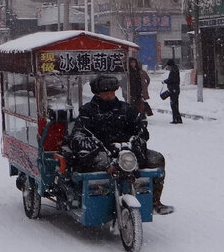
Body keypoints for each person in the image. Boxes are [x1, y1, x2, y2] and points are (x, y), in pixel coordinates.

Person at [68, 74, 173, 214]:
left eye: (112, 92)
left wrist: (134, 142)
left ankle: (154, 201)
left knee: (157, 159)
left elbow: (141, 130)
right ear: (98, 94)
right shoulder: (88, 111)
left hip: (128, 151)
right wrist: (93, 145)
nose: (109, 96)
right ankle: (99, 203)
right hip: (101, 151)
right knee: (102, 164)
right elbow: (78, 135)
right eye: (105, 93)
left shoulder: (126, 109)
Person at [162, 59, 182, 123]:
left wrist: (165, 81)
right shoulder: (175, 69)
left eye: (168, 65)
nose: (168, 67)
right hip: (175, 89)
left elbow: (171, 79)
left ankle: (175, 119)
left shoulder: (173, 70)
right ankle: (178, 119)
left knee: (173, 105)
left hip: (174, 90)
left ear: (170, 65)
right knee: (175, 104)